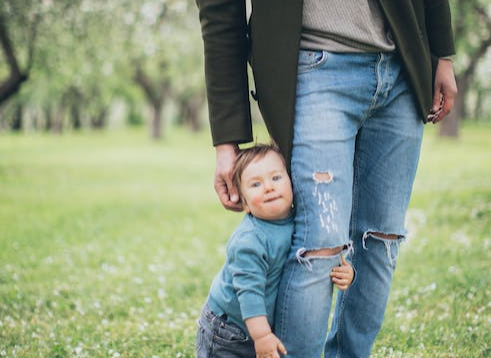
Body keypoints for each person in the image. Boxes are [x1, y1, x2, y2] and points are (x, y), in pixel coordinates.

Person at [196, 1, 457, 357]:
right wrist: (227, 140)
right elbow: (219, 9)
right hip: (311, 65)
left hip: (401, 67)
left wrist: (443, 53)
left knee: (381, 242)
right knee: (319, 246)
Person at [196, 144, 354, 358]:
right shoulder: (250, 241)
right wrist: (261, 336)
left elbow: (319, 254)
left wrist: (345, 271)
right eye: (256, 184)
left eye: (276, 178)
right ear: (245, 203)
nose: (268, 187)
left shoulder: (302, 219)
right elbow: (249, 292)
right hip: (229, 330)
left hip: (259, 326)